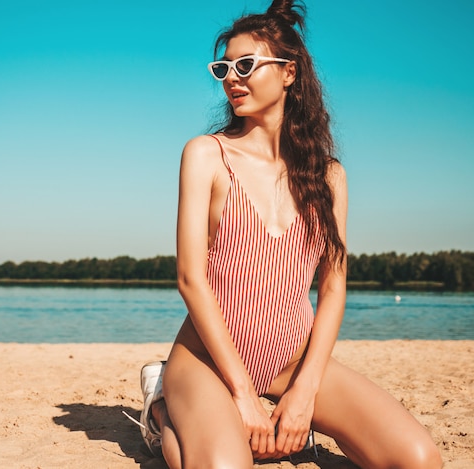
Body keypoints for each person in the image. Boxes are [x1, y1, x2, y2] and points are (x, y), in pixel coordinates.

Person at [134, 1, 443, 467]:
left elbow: (334, 287)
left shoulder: (329, 176)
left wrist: (305, 391)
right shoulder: (206, 155)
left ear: (288, 73)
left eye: (245, 65)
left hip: (292, 359)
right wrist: (241, 394)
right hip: (207, 363)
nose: (231, 78)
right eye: (223, 68)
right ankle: (162, 410)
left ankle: (253, 413)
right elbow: (190, 279)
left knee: (419, 459)